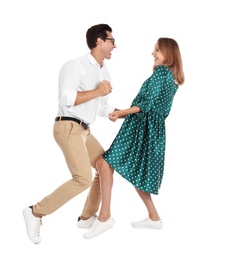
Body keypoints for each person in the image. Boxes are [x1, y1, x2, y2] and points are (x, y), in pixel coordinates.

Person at [78, 37, 185, 239]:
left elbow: (145, 105)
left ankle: (104, 217)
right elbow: (153, 108)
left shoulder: (160, 75)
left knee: (104, 162)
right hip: (151, 130)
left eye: (157, 51)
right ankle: (154, 217)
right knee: (135, 172)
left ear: (169, 55)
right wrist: (123, 113)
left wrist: (120, 113)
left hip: (142, 128)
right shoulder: (171, 79)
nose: (153, 54)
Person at [23, 23, 118, 244]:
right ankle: (35, 212)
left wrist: (127, 113)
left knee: (105, 165)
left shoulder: (105, 71)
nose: (115, 46)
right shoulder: (75, 66)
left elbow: (103, 108)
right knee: (82, 179)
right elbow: (67, 99)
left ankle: (86, 217)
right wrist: (97, 91)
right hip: (68, 126)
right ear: (99, 41)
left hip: (85, 129)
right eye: (112, 41)